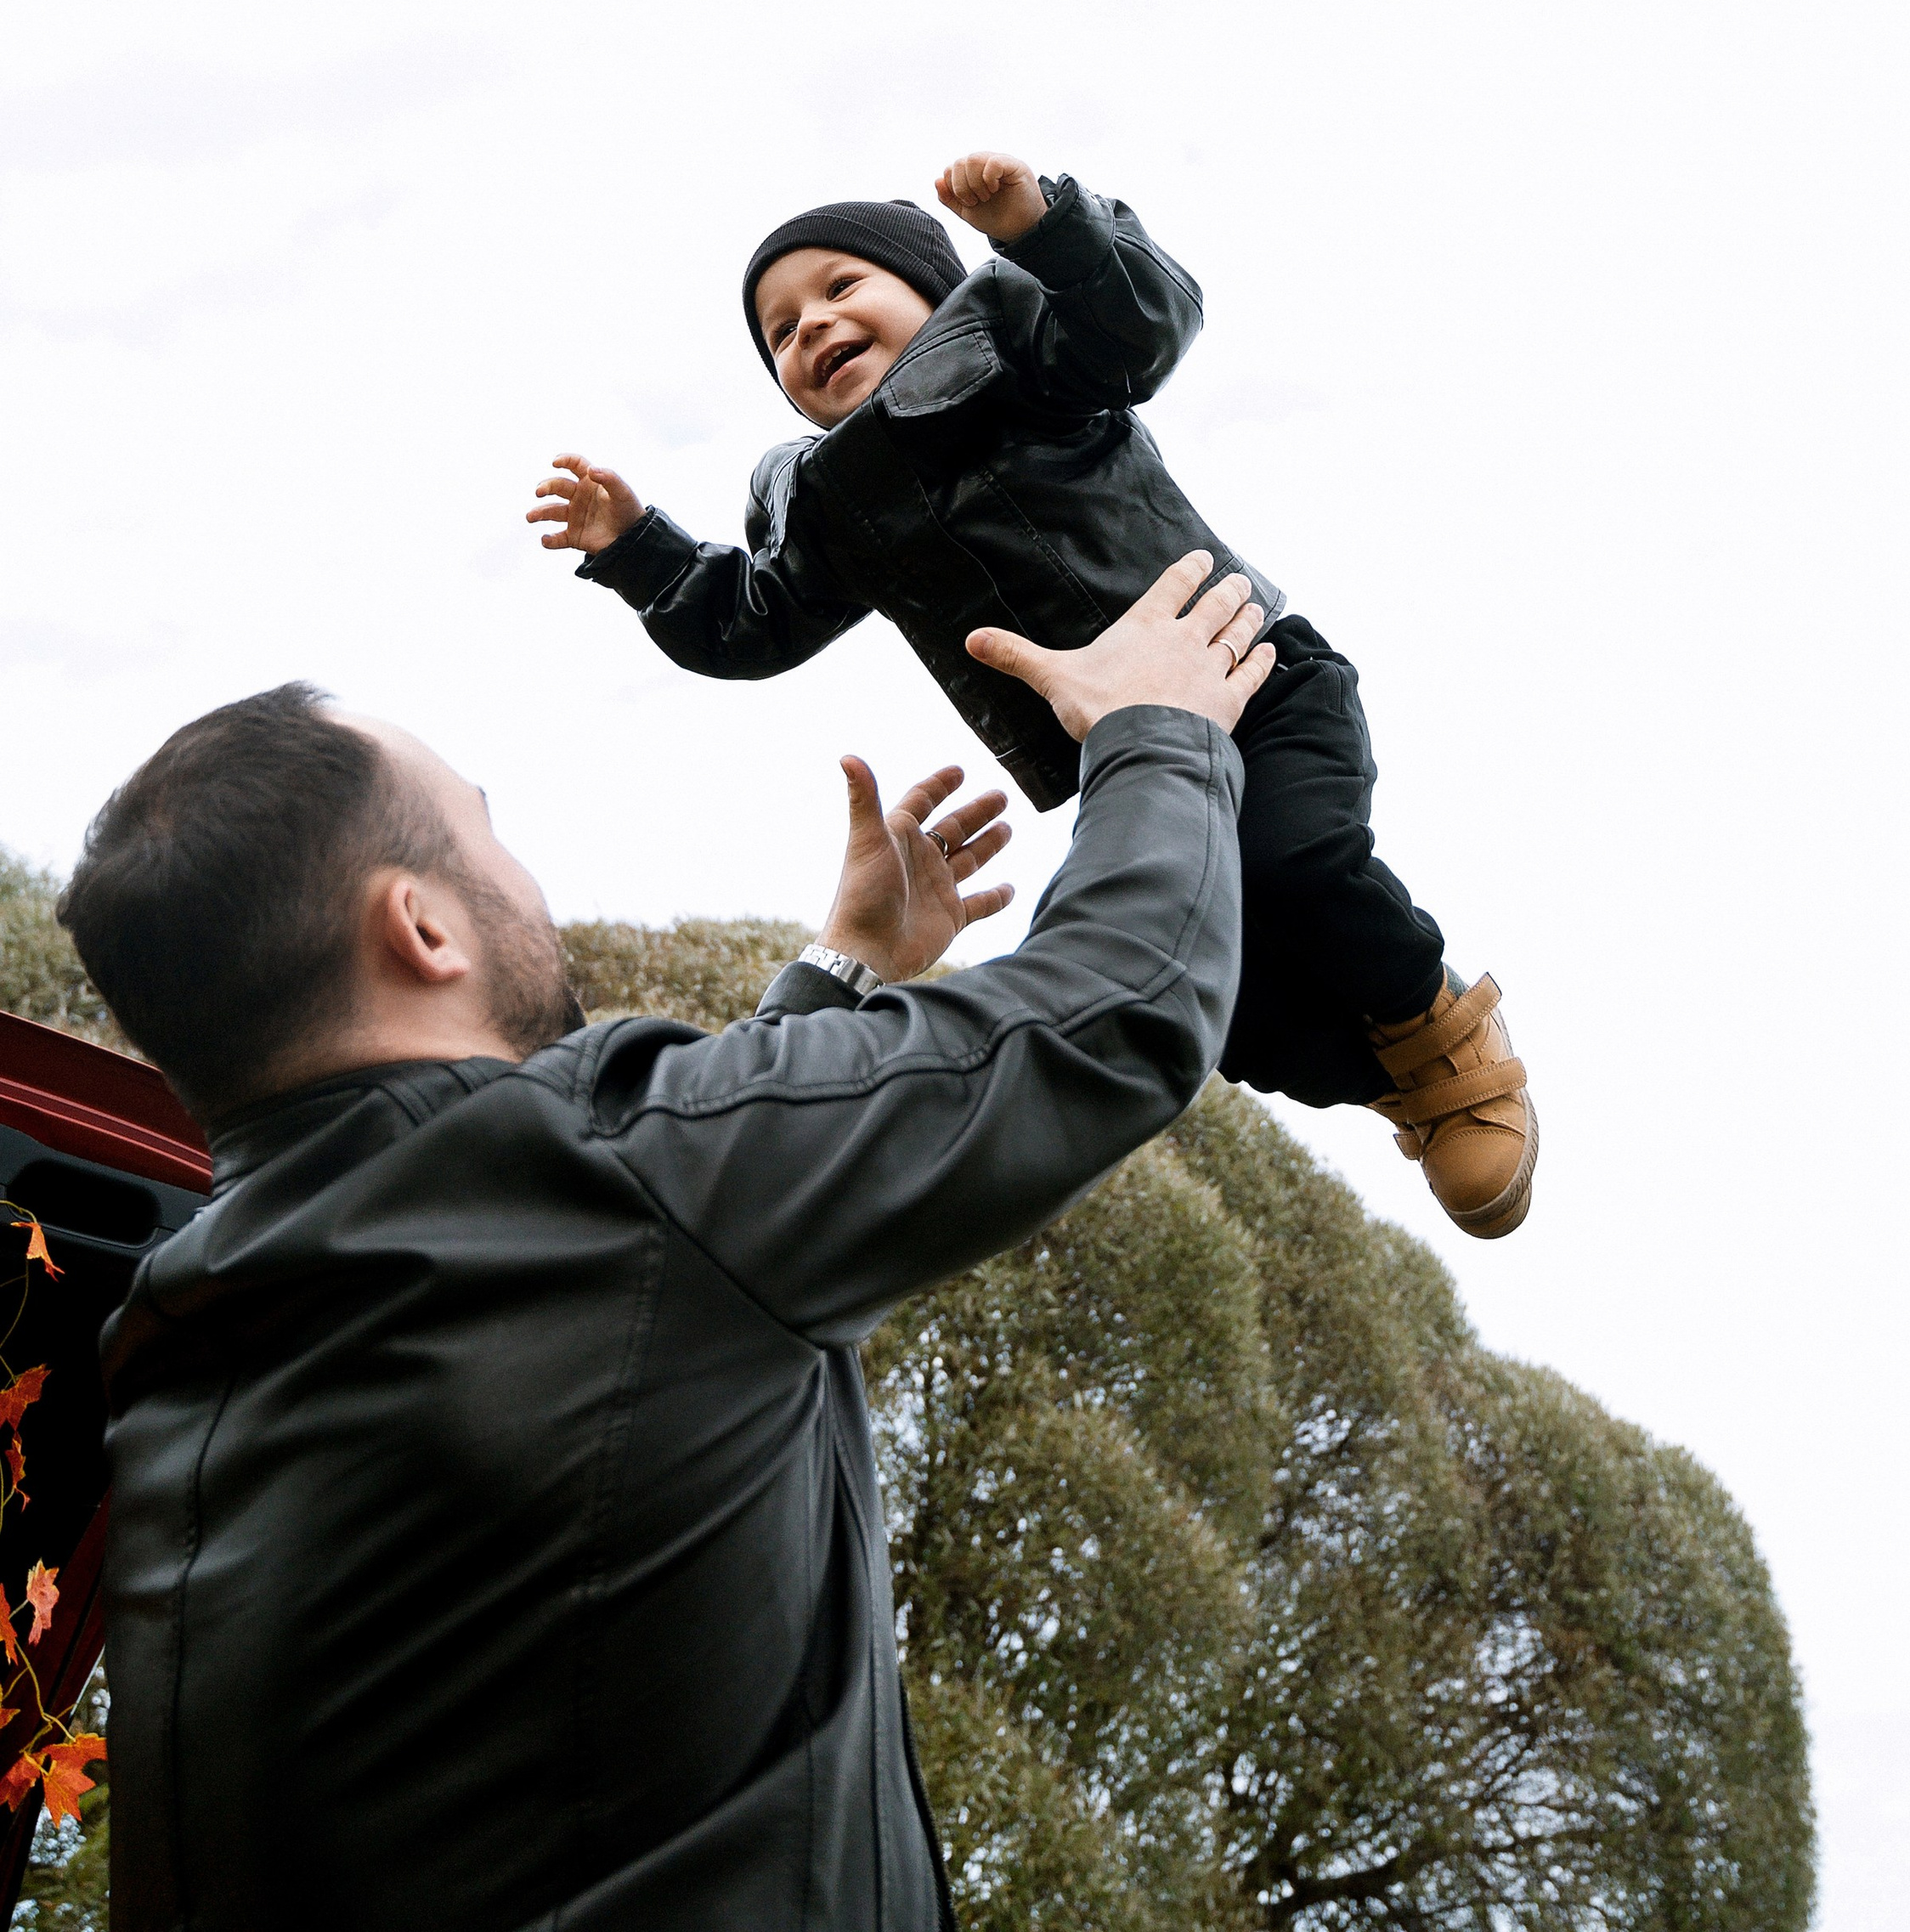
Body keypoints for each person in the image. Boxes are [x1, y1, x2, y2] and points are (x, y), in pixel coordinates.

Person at [58, 558, 1270, 1932]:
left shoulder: (173, 1351)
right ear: (424, 924)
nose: (523, 871)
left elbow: (633, 1278)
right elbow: (1120, 1013)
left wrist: (844, 976)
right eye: (485, 832)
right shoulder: (613, 1176)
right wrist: (1155, 734)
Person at [530, 152, 1534, 1236]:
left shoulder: (1021, 349)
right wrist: (636, 551)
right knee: (1201, 989)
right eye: (778, 330)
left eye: (838, 288)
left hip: (1252, 675)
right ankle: (1395, 1084)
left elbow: (1141, 324)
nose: (808, 326)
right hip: (1126, 770)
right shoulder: (824, 501)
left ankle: (1443, 1040)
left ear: (931, 288)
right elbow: (750, 623)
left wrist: (1045, 230)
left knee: (1292, 860)